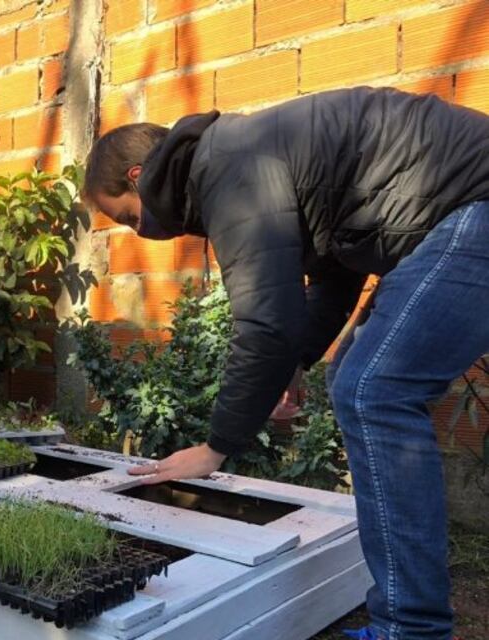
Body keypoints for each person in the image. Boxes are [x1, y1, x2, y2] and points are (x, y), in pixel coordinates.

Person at [84, 87, 489, 640]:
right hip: (459, 211)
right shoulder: (237, 156)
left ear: (137, 178)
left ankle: (412, 630)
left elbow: (264, 323)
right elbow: (335, 276)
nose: (141, 232)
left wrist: (216, 447)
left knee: (372, 390)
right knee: (356, 380)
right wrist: (296, 360)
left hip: (475, 203)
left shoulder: (230, 166)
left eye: (127, 218)